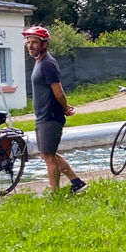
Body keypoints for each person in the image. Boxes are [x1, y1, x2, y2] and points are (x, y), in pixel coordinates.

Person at [23, 26, 88, 194]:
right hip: (43, 115)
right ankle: (77, 182)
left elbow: (58, 91)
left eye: (34, 42)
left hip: (50, 115)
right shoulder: (39, 62)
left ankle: (55, 193)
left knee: (49, 156)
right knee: (47, 154)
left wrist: (65, 107)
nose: (30, 45)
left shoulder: (47, 64)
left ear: (44, 44)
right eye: (28, 42)